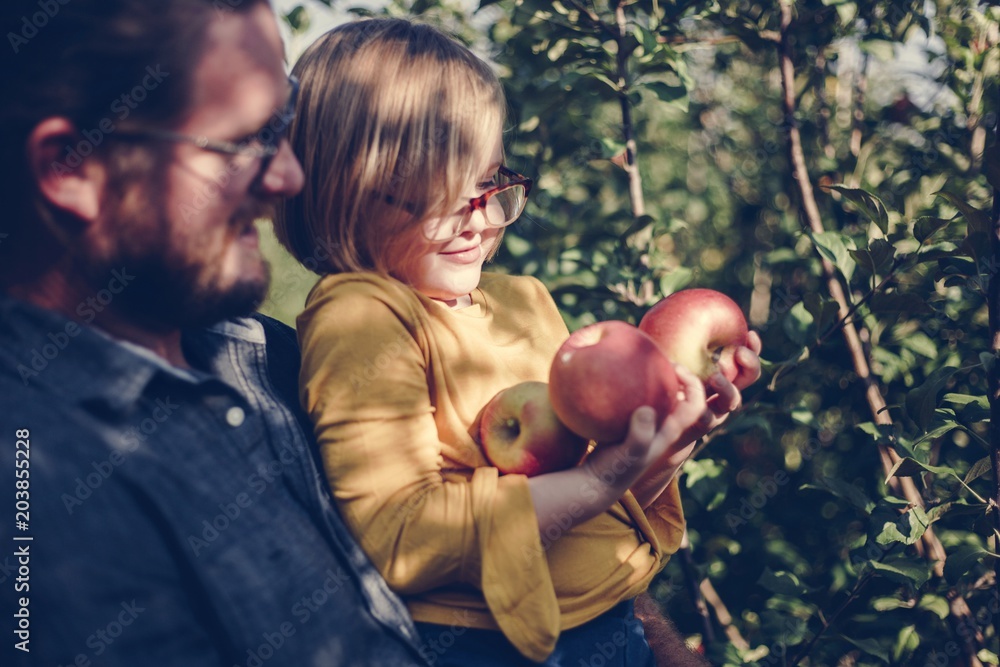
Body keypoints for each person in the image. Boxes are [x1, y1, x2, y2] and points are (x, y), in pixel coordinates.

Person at [274, 18, 761, 666]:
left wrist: (673, 437)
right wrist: (596, 481)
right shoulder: (363, 316)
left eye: (491, 185)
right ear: (344, 189)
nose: (477, 221)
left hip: (615, 623)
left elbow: (595, 505)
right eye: (438, 195)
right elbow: (395, 532)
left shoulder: (521, 301)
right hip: (492, 645)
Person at [0, 1, 430, 665]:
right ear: (71, 167)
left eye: (283, 121)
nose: (289, 176)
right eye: (243, 139)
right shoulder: (38, 498)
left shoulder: (276, 358)